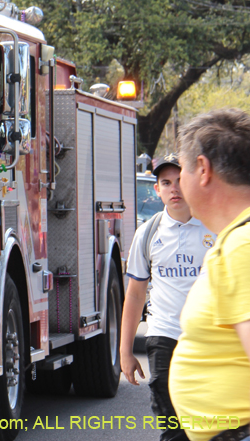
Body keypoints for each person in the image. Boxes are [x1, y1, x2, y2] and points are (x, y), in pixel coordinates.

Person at [120, 154, 214, 441]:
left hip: (207, 339)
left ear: (192, 182)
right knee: (173, 427)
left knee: (208, 424)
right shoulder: (147, 233)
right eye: (165, 182)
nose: (174, 189)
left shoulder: (215, 227)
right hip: (164, 337)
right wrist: (125, 351)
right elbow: (135, 295)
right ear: (156, 189)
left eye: (179, 181)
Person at [171, 109, 250, 441]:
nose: (178, 182)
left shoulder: (241, 246)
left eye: (181, 169)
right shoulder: (236, 239)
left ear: (202, 170)